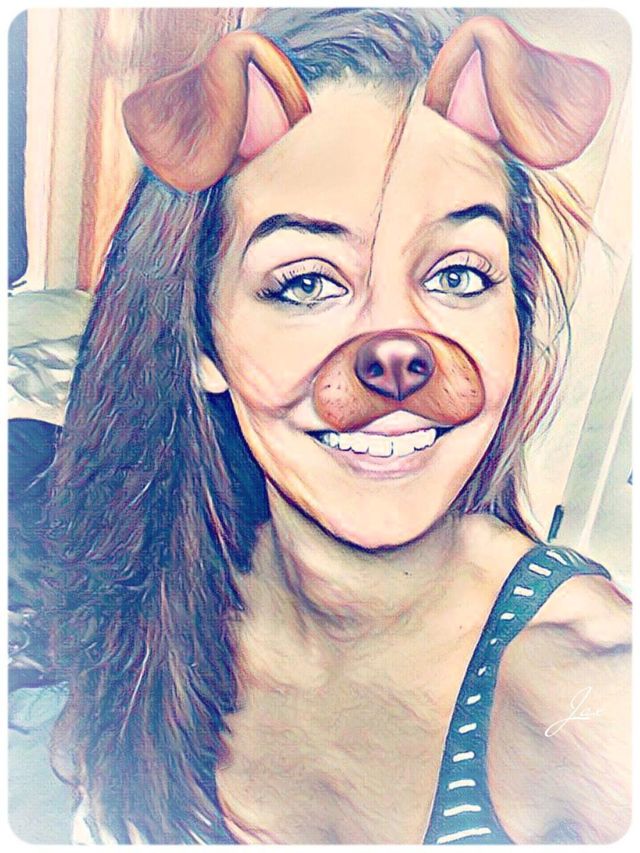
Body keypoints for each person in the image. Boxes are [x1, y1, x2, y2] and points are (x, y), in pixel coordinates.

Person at [23, 7, 629, 845]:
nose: (397, 351)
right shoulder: (148, 598)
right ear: (201, 338)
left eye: (459, 274)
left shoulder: (596, 695)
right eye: (306, 282)